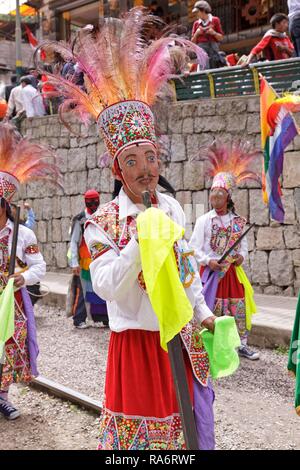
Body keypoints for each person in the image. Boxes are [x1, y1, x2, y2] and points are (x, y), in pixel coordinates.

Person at [39, 8, 218, 450]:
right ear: (118, 168)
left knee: (186, 436)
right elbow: (104, 287)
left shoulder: (173, 207)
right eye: (133, 161)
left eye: (150, 157)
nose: (145, 169)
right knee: (139, 444)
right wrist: (141, 240)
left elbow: (186, 268)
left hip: (178, 338)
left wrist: (202, 311)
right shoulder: (102, 224)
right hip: (137, 346)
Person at [0, 123, 61, 420]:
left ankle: (3, 396)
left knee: (9, 348)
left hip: (12, 304)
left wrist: (22, 277)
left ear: (3, 206)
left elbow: (40, 267)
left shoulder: (23, 236)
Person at [190, 141, 259, 361]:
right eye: (212, 194)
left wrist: (240, 258)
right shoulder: (203, 221)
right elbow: (193, 248)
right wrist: (207, 261)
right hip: (211, 274)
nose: (214, 198)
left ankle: (240, 346)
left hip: (232, 274)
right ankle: (213, 346)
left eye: (219, 195)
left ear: (227, 197)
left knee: (237, 308)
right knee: (212, 308)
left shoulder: (239, 222)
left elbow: (244, 248)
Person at [68, 190, 108, 329]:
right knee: (83, 291)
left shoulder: (104, 216)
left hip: (102, 258)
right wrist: (74, 262)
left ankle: (104, 318)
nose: (93, 204)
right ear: (85, 202)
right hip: (85, 261)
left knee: (102, 288)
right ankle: (79, 318)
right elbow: (73, 241)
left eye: (95, 201)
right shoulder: (80, 219)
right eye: (90, 201)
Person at [191, 1, 225, 69]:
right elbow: (192, 43)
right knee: (204, 67)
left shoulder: (215, 20)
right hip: (201, 49)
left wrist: (213, 33)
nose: (196, 14)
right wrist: (196, 34)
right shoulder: (196, 24)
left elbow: (221, 38)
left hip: (213, 49)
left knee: (214, 67)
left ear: (203, 10)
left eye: (197, 12)